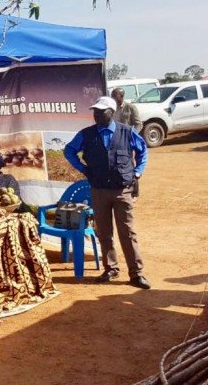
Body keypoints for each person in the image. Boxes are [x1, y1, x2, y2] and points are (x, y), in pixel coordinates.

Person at [64, 96, 150, 289]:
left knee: (127, 232)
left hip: (122, 190)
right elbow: (69, 151)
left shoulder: (127, 132)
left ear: (111, 112)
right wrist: (83, 168)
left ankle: (136, 273)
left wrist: (138, 172)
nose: (96, 115)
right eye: (94, 111)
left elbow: (143, 151)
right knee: (104, 232)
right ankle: (110, 268)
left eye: (101, 111)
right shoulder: (86, 134)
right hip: (99, 191)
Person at [111, 87, 143, 199]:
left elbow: (139, 124)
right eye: (112, 95)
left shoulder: (130, 107)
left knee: (130, 165)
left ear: (121, 96)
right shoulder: (112, 108)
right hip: (115, 141)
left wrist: (131, 135)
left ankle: (134, 191)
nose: (113, 97)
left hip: (127, 141)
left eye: (115, 95)